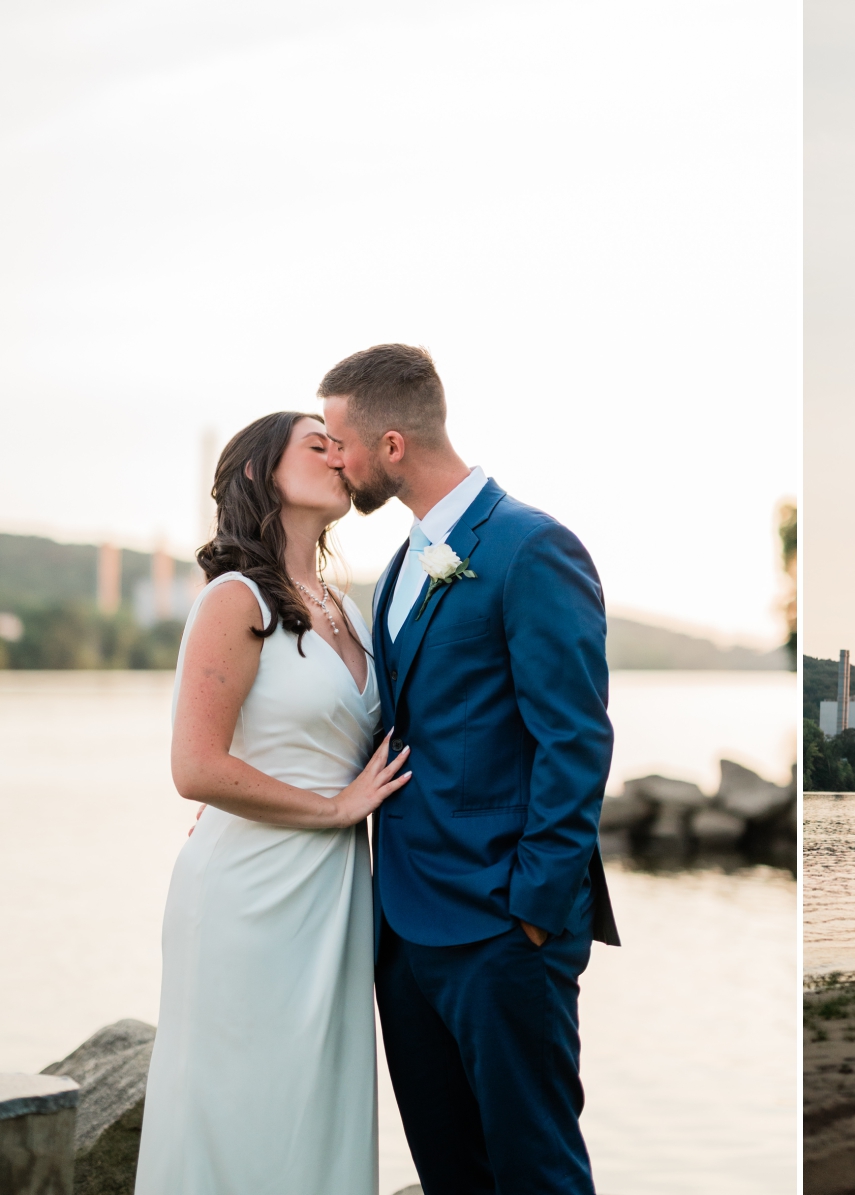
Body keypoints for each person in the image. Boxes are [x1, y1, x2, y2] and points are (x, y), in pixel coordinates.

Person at [321, 344, 620, 1195]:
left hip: (501, 930)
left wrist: (531, 908)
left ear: (389, 444)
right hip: (406, 935)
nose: (332, 461)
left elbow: (576, 739)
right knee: (452, 1174)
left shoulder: (532, 548)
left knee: (537, 1174)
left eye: (339, 442)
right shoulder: (399, 567)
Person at [137, 412, 407, 1193]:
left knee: (315, 1109)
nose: (337, 452)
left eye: (338, 442)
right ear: (260, 475)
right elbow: (195, 767)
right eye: (315, 444)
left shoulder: (349, 610)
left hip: (332, 896)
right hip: (247, 895)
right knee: (238, 1112)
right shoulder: (235, 597)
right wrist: (331, 808)